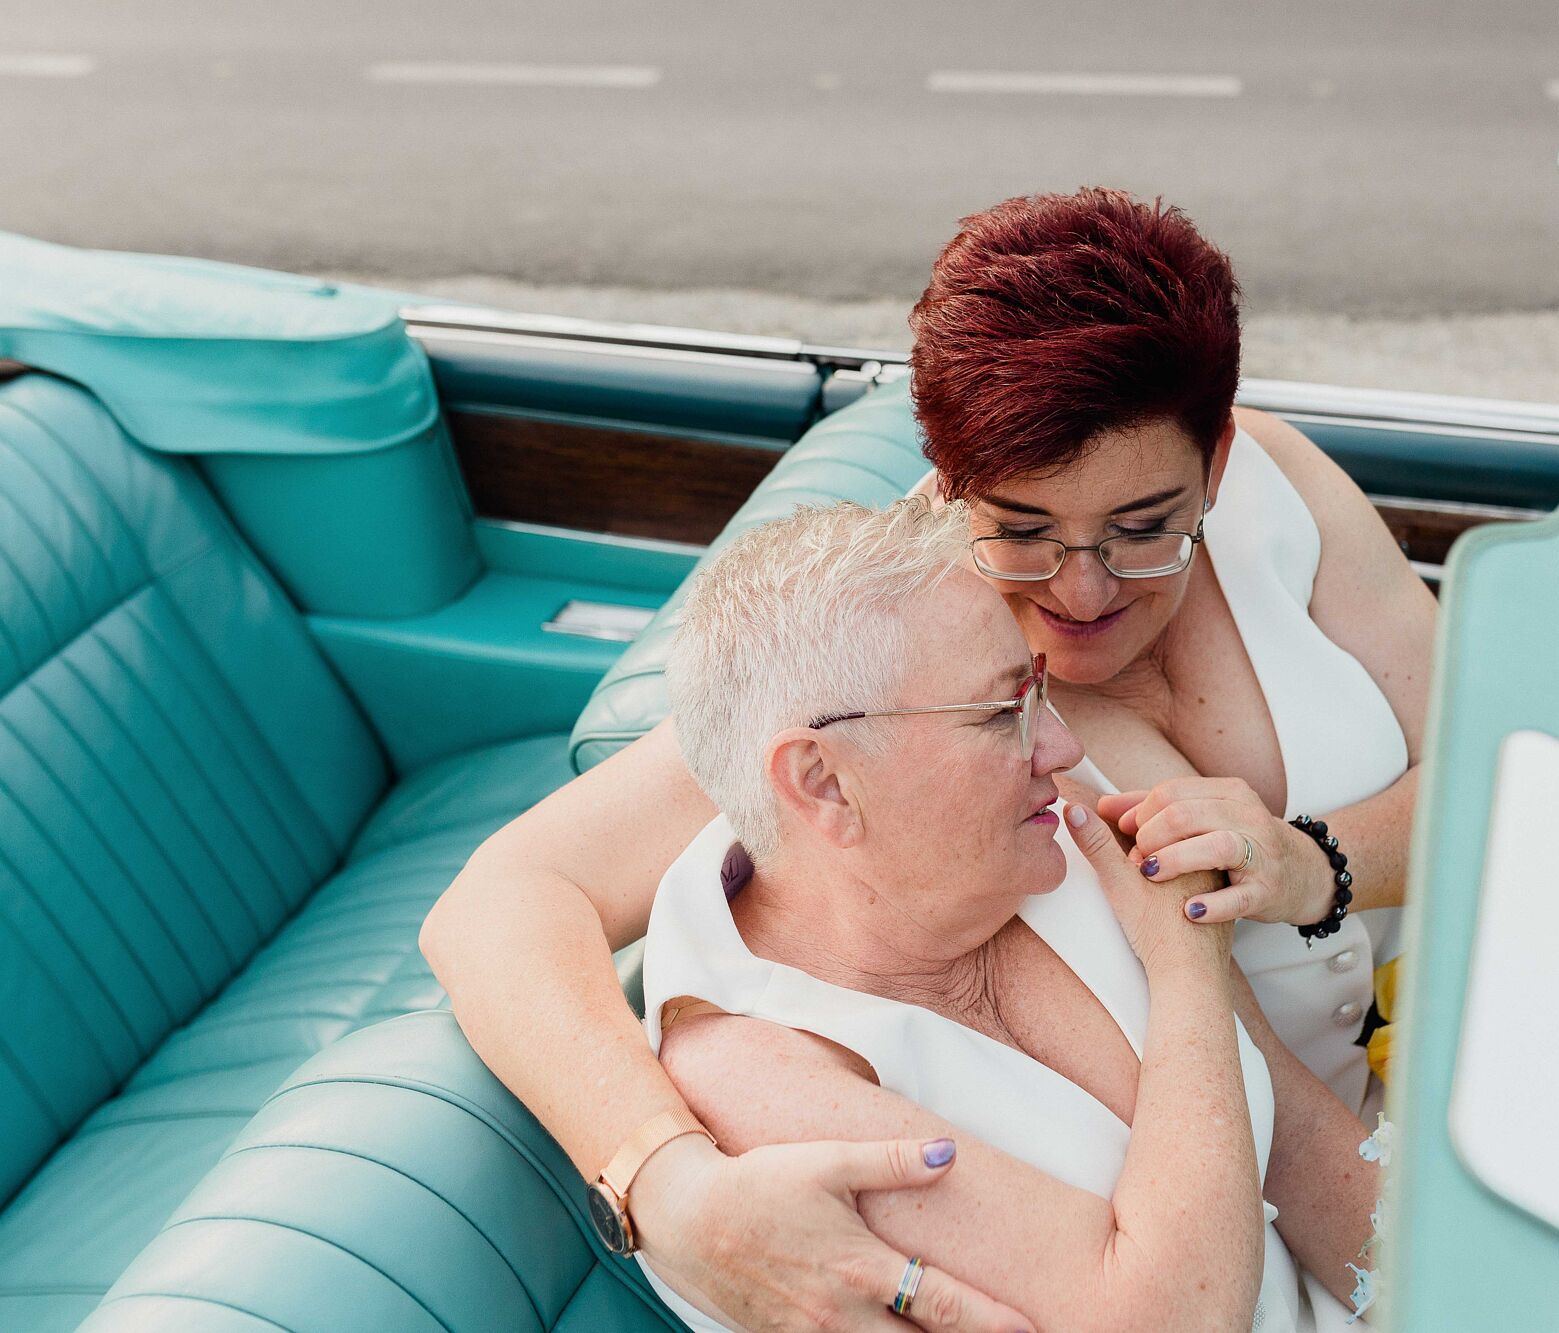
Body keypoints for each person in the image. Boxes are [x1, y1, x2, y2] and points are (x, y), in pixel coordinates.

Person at [422, 187, 1433, 1331]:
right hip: (1287, 1162)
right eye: (1023, 529)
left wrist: (1312, 863)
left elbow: (1487, 780)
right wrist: (664, 1182)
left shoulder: (1274, 487)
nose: (1081, 590)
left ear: (1216, 461)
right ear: (948, 484)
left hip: (1420, 1040)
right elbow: (500, 903)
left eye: (1144, 526)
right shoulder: (891, 672)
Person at [643, 498, 1378, 1332]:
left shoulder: (1047, 829)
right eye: (1002, 713)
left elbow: (1300, 1149)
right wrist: (1188, 968)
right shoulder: (758, 1080)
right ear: (823, 781)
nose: (1063, 747)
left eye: (1036, 690)